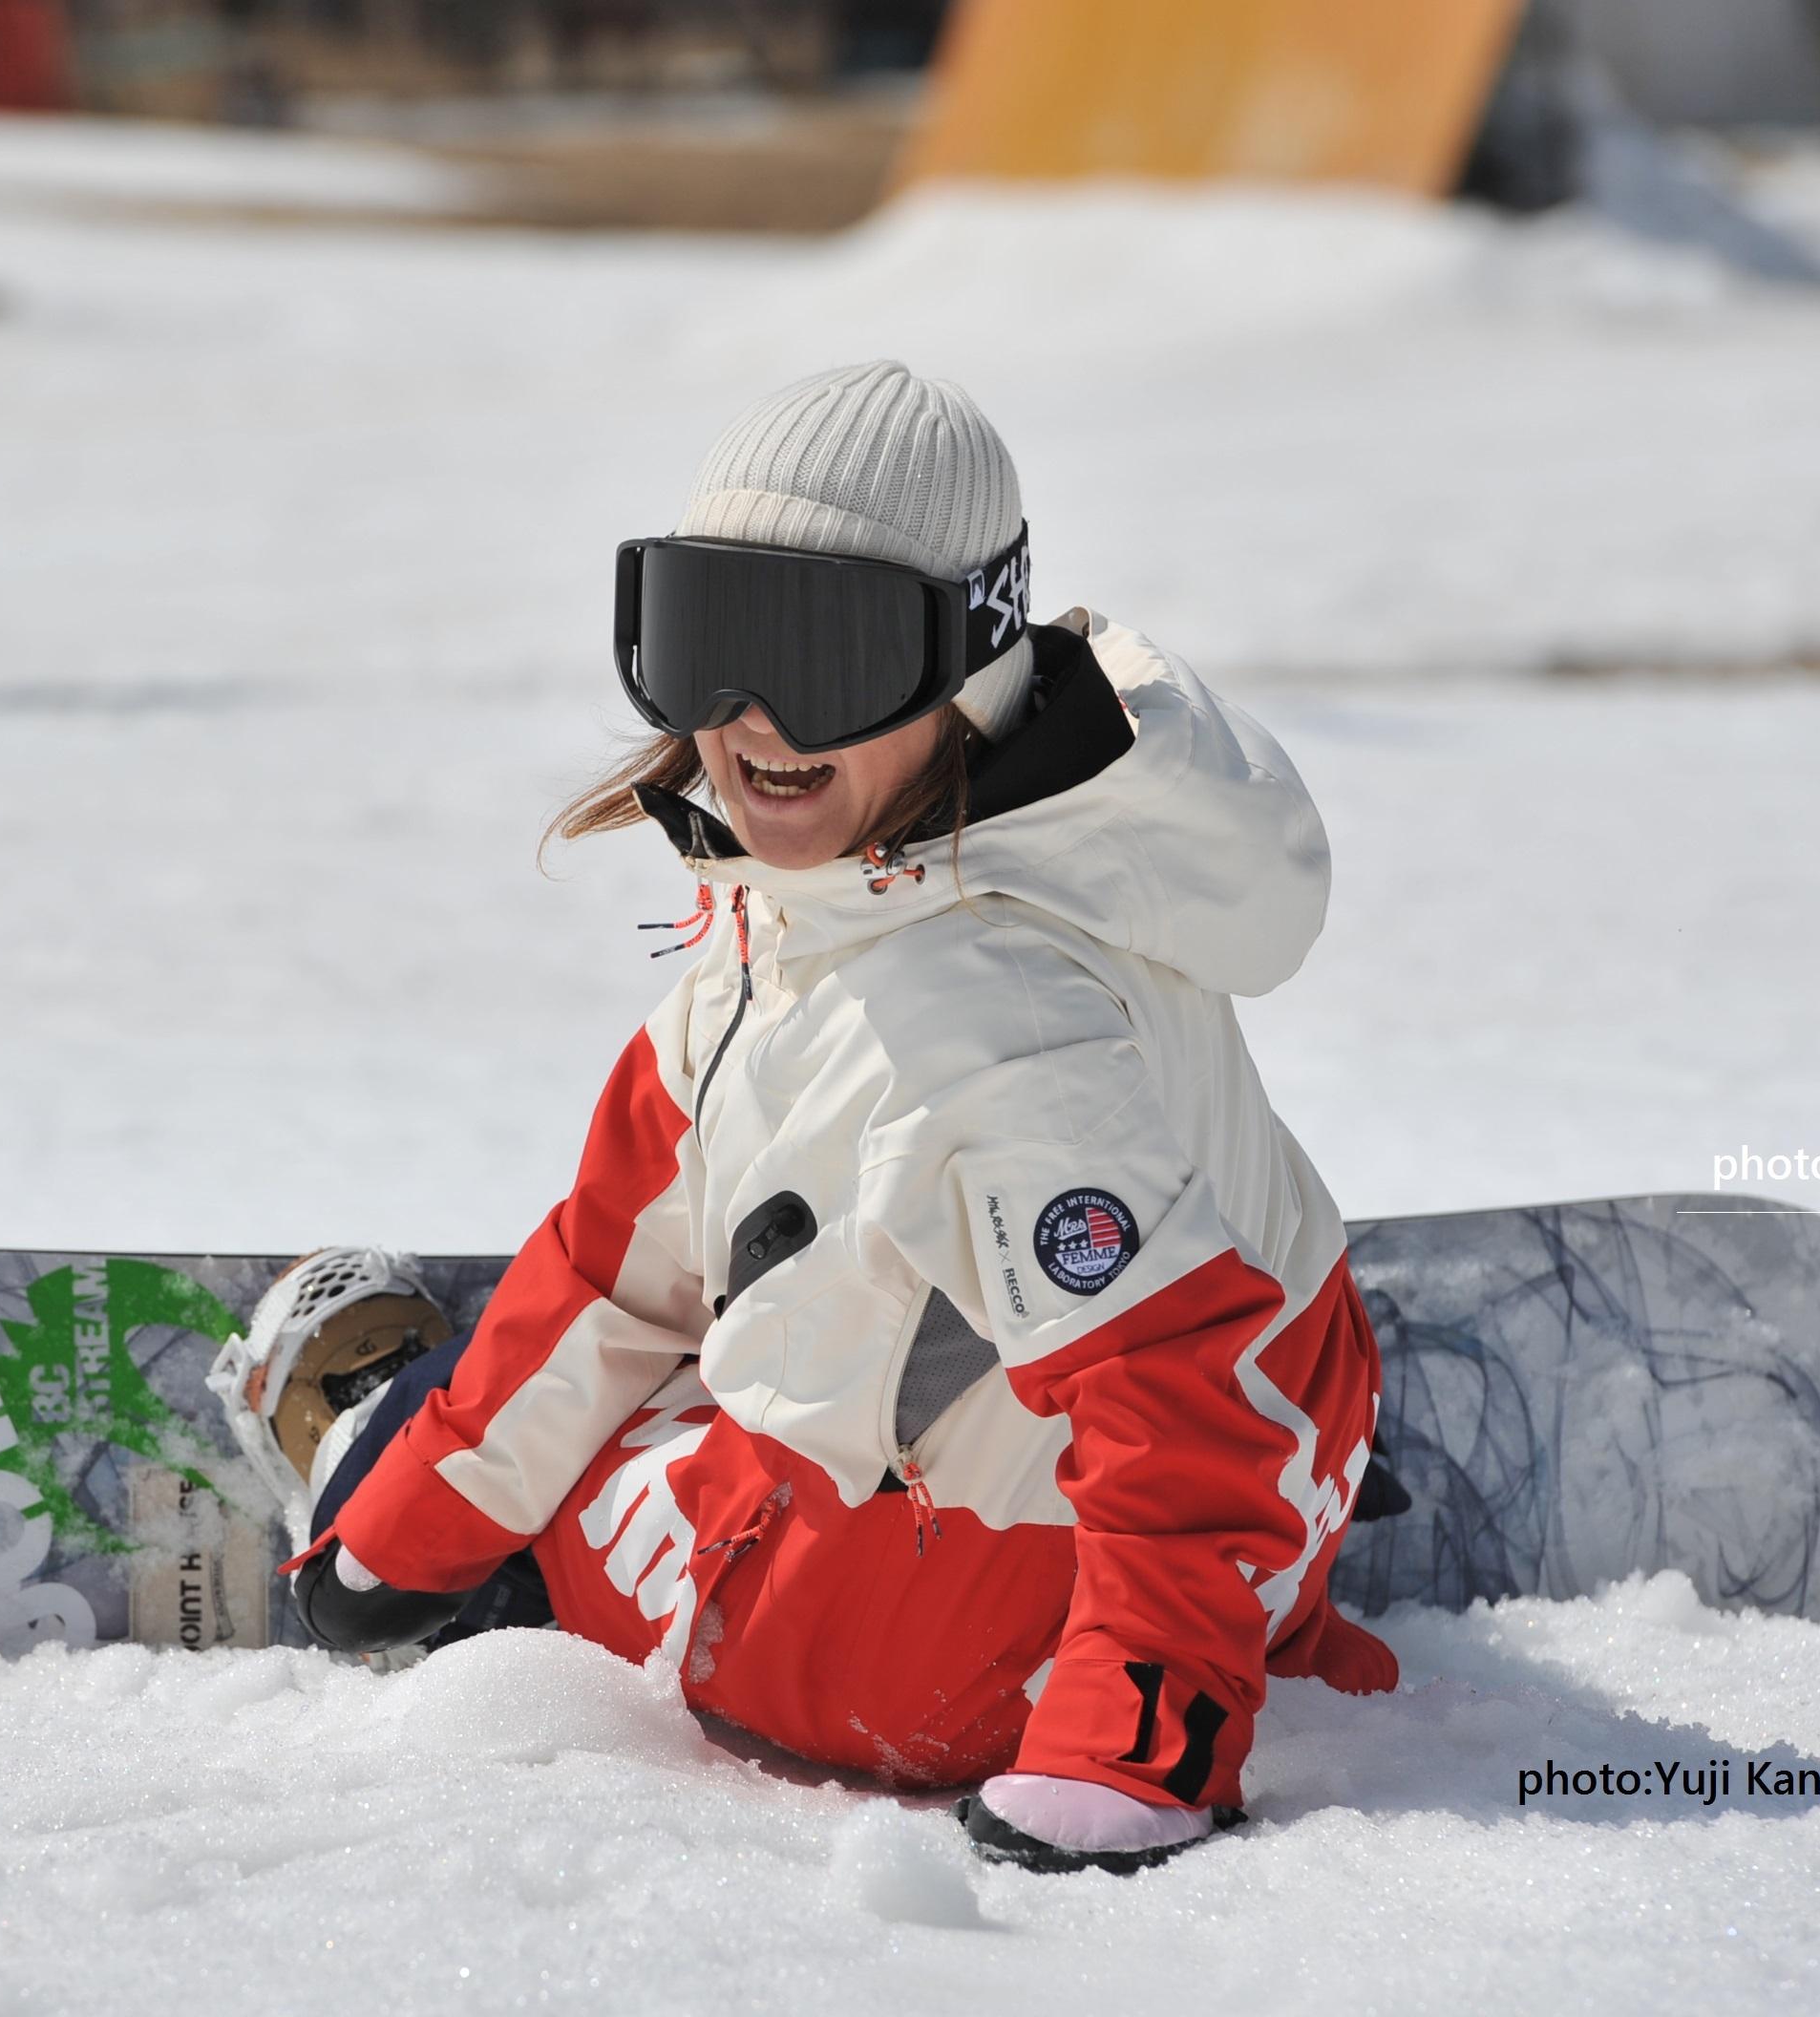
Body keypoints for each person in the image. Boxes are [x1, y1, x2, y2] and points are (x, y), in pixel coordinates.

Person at [207, 360, 1400, 1875]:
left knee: (611, 1472)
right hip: (1290, 1438)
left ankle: (370, 1435)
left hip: (935, 1659)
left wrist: (1134, 1759)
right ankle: (1258, 1548)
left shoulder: (978, 1017)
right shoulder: (1006, 856)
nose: (750, 719)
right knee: (714, 1286)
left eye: (829, 653)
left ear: (962, 664)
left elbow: (1165, 1390)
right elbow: (617, 1251)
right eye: (704, 643)